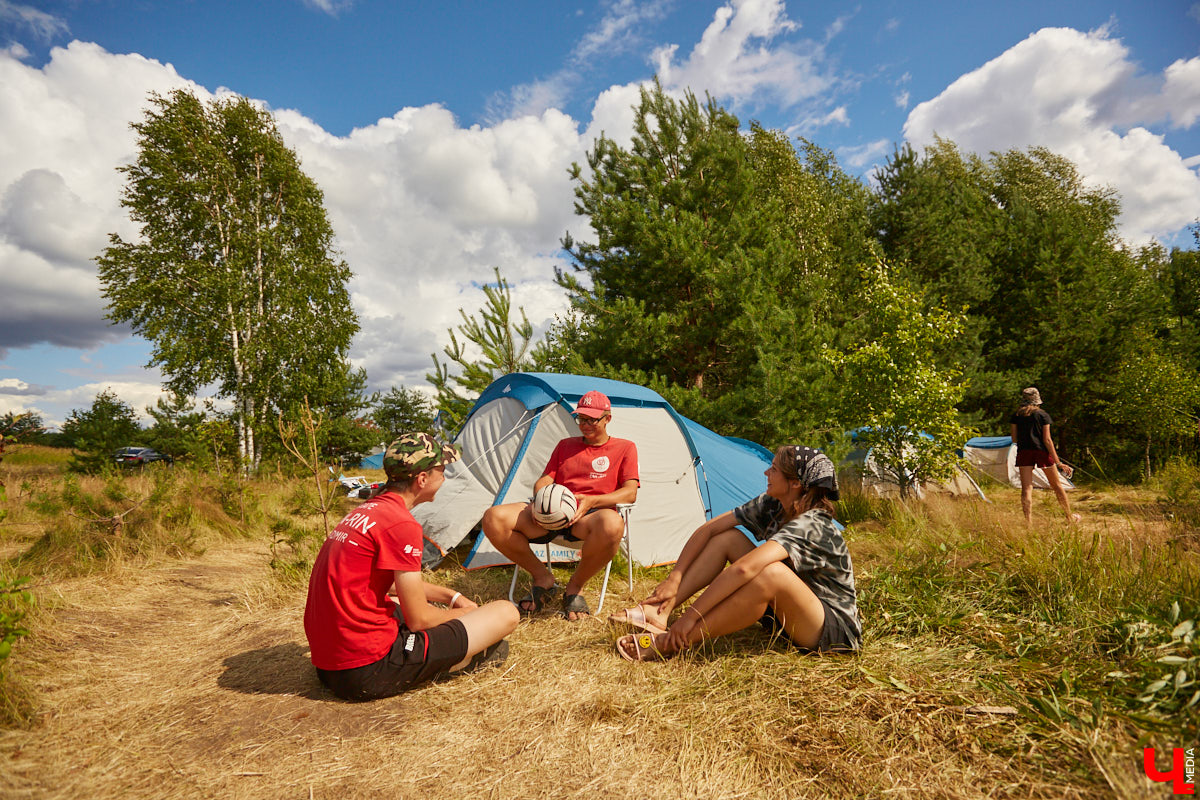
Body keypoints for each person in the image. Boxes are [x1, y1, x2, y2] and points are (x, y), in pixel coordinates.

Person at [304, 433, 519, 701]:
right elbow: (420, 620)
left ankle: (454, 650)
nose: (445, 477)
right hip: (369, 670)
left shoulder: (366, 511)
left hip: (330, 666)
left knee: (394, 600)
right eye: (442, 470)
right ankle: (458, 660)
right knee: (505, 612)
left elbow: (383, 581)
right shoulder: (402, 525)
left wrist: (451, 596)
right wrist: (469, 613)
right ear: (422, 480)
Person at [609, 446, 860, 661]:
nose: (766, 473)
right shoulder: (774, 503)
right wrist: (674, 579)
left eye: (773, 469)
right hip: (787, 614)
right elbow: (710, 528)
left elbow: (745, 569)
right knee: (728, 539)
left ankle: (672, 641)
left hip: (830, 632)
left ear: (795, 483)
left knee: (772, 573)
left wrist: (690, 617)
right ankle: (659, 612)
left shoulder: (813, 524)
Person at [482, 390, 639, 621]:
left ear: (608, 418)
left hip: (589, 518)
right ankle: (542, 577)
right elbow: (547, 478)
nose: (584, 425)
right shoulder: (565, 445)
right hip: (551, 514)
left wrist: (593, 501)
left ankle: (575, 586)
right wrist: (541, 497)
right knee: (493, 518)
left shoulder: (624, 448)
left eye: (591, 419)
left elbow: (630, 492)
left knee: (613, 523)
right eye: (580, 419)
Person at [1009, 387, 1079, 525]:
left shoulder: (1016, 416)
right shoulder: (1042, 415)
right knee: (1056, 485)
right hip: (1041, 451)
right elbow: (1047, 440)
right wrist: (1059, 463)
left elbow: (1014, 439)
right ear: (1037, 400)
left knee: (1026, 489)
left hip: (1024, 452)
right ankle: (1069, 517)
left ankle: (1028, 523)